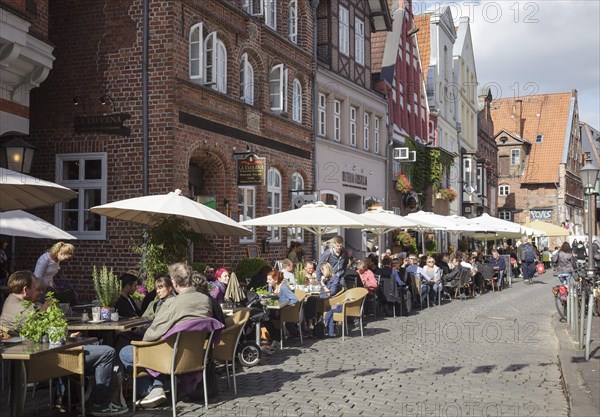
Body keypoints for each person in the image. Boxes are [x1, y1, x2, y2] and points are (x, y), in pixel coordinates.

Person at [0, 271, 127, 416]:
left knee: (98, 349)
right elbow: (39, 333)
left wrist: (65, 335)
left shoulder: (11, 302)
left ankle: (80, 398)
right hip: (47, 358)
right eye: (36, 288)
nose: (40, 293)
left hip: (46, 352)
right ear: (25, 290)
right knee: (107, 352)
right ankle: (101, 404)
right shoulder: (22, 309)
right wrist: (48, 319)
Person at [119, 262, 213, 408]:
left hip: (171, 356)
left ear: (174, 283)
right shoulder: (205, 300)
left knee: (125, 352)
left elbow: (154, 332)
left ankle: (153, 390)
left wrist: (141, 342)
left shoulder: (172, 303)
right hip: (195, 356)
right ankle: (159, 386)